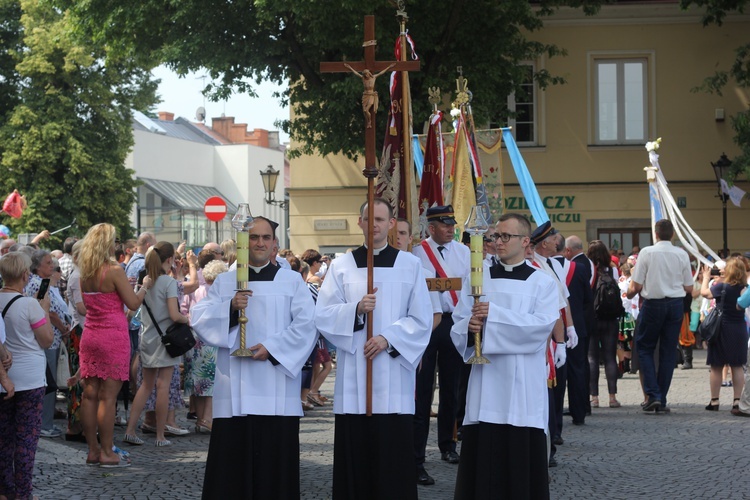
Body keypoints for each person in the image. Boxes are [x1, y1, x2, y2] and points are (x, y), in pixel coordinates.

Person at [191, 216, 316, 500]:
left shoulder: (292, 281)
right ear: (244, 243)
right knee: (233, 468)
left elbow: (307, 325)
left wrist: (272, 348)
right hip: (236, 389)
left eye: (265, 237)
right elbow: (198, 317)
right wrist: (231, 308)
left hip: (276, 384)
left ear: (274, 244)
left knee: (275, 467)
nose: (259, 242)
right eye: (254, 237)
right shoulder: (226, 281)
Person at [315, 198, 432, 499]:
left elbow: (421, 318)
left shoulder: (410, 264)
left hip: (393, 375)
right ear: (360, 222)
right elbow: (323, 315)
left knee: (393, 457)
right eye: (370, 219)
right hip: (356, 379)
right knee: (356, 456)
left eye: (381, 219)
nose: (375, 225)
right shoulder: (341, 266)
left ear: (391, 224)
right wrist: (355, 310)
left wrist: (387, 339)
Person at [451, 213, 558, 499]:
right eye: (495, 236)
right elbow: (459, 321)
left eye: (505, 236)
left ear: (525, 242)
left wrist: (493, 317)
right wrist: (469, 327)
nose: (497, 241)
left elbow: (541, 328)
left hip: (523, 385)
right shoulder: (478, 278)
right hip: (486, 384)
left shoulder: (542, 282)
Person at [78, 223, 153, 467]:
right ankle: (107, 451)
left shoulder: (85, 272)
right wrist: (143, 287)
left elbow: (90, 305)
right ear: (106, 244)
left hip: (90, 334)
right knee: (107, 398)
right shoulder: (113, 270)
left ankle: (92, 450)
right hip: (112, 336)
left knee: (89, 395)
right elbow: (132, 303)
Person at [411, 204, 470, 484]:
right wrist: (449, 284)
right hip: (426, 322)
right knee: (422, 390)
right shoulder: (416, 251)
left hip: (453, 321)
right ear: (431, 228)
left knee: (453, 387)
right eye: (445, 225)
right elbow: (422, 286)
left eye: (452, 225)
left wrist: (439, 283)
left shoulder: (464, 251)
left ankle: (448, 444)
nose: (450, 229)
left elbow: (468, 286)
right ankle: (417, 455)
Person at [123, 242, 189, 447]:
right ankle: (160, 436)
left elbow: (132, 311)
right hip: (165, 340)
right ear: (169, 260)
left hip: (147, 338)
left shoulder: (146, 281)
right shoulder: (168, 283)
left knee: (145, 386)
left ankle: (130, 430)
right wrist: (189, 319)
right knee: (163, 387)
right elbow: (174, 314)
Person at [0, 252, 54, 500]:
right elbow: (46, 340)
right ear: (24, 275)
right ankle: (22, 494)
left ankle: (5, 489)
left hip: (4, 379)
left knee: (4, 439)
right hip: (30, 379)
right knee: (26, 441)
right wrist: (44, 310)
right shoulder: (30, 304)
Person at [627, 219, 693, 413]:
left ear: (655, 234)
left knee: (645, 348)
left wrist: (629, 294)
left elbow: (636, 286)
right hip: (675, 305)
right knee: (667, 351)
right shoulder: (681, 254)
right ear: (672, 235)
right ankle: (661, 397)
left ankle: (653, 394)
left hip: (653, 304)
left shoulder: (647, 253)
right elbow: (689, 287)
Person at [700, 258, 748, 412]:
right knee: (737, 365)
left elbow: (704, 293)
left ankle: (714, 401)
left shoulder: (721, 287)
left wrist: (706, 278)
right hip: (739, 329)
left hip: (720, 329)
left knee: (716, 365)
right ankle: (737, 401)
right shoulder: (745, 288)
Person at [587, 240, 622, 408]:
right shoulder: (613, 270)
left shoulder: (588, 269)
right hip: (610, 318)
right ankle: (612, 397)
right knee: (610, 357)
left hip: (593, 318)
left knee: (592, 357)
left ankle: (594, 397)